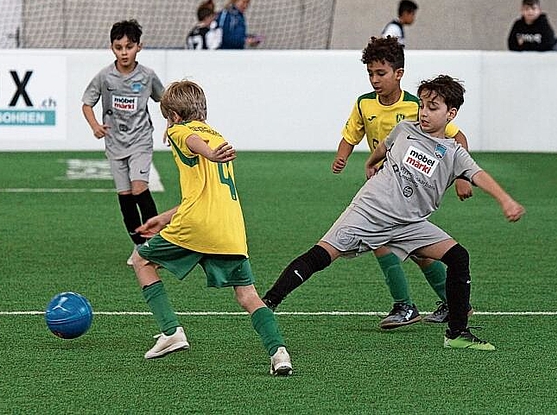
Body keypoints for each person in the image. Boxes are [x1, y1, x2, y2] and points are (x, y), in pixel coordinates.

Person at [263, 75, 525, 350]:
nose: (424, 112)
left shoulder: (454, 153)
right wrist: (370, 162)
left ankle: (457, 333)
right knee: (322, 255)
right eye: (422, 105)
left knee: (458, 257)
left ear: (451, 113)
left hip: (409, 223)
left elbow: (479, 175)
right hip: (370, 211)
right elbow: (383, 147)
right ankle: (268, 301)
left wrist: (505, 200)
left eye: (432, 107)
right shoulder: (404, 129)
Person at [130, 80, 293, 376]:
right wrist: (165, 217)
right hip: (229, 229)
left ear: (175, 116)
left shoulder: (181, 131)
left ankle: (171, 332)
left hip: (197, 225)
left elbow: (191, 140)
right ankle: (279, 353)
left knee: (141, 259)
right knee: (247, 296)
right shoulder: (218, 136)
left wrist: (206, 152)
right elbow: (205, 192)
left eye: (168, 117)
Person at [327, 35, 473, 328]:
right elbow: (350, 135)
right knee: (418, 251)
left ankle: (405, 306)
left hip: (415, 187)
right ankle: (455, 303)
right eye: (370, 73)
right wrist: (342, 157)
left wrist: (461, 178)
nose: (374, 80)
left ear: (399, 74)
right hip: (386, 184)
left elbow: (458, 137)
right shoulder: (364, 104)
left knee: (381, 240)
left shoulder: (417, 106)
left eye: (380, 73)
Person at [81, 19, 163, 266]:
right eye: (119, 47)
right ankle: (139, 246)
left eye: (129, 47)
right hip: (115, 143)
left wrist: (172, 125)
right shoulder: (105, 77)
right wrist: (95, 126)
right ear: (112, 48)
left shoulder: (147, 76)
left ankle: (156, 245)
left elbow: (165, 101)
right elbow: (86, 103)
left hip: (140, 140)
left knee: (139, 188)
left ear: (139, 46)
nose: (124, 52)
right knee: (125, 196)